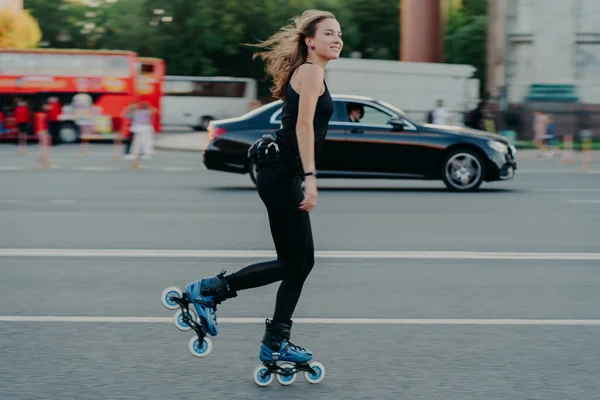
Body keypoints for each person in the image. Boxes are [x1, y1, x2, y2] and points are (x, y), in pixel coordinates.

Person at [182, 9, 341, 364]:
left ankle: (275, 339)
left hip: (282, 173)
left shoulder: (311, 73)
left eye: (339, 34)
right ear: (310, 41)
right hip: (282, 173)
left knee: (301, 262)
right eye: (329, 33)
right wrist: (312, 179)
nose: (337, 39)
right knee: (294, 263)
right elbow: (302, 127)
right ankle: (209, 292)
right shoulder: (312, 72)